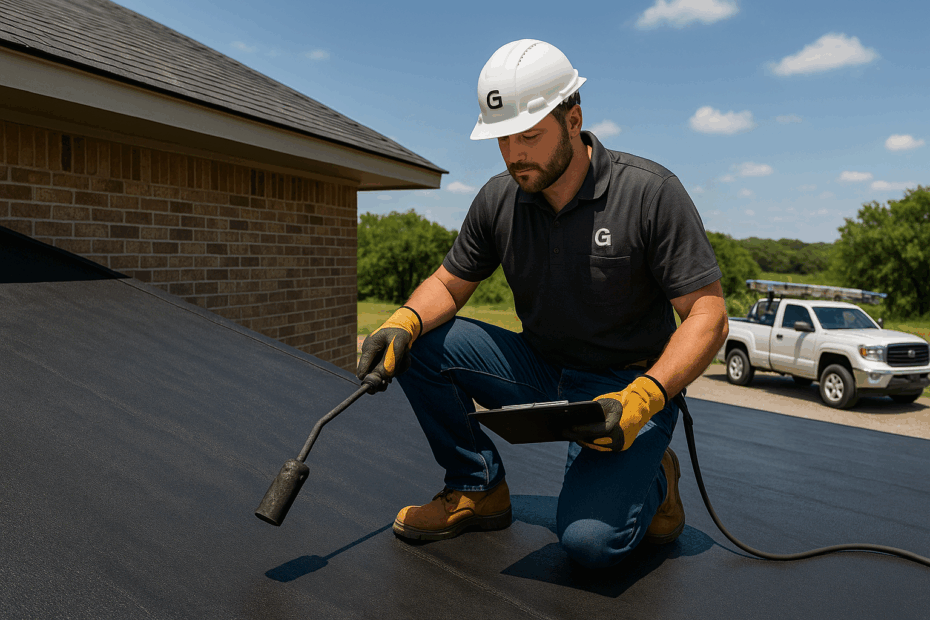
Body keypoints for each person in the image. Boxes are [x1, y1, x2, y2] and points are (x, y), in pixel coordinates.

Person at [357, 39, 729, 569]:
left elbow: (709, 316)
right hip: (538, 370)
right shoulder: (498, 198)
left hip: (627, 388)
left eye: (529, 136)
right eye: (502, 139)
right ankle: (476, 487)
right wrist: (402, 321)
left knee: (588, 544)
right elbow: (448, 283)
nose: (513, 154)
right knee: (421, 340)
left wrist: (646, 397)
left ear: (573, 120)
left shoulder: (649, 194)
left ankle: (657, 479)